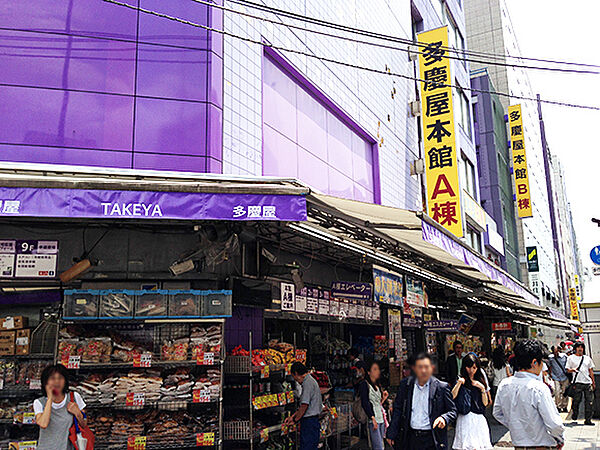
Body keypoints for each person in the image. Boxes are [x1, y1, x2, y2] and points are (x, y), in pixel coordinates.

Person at [493, 340, 565, 449]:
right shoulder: (538, 388)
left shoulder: (504, 385)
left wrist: (516, 426)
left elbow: (497, 413)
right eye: (542, 361)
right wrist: (559, 439)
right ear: (534, 362)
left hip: (518, 445)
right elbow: (554, 424)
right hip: (541, 445)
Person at [386, 353, 457, 450]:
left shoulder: (441, 387)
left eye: (426, 367)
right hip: (411, 437)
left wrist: (444, 418)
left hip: (432, 438)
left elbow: (452, 411)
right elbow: (398, 409)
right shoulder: (406, 385)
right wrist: (391, 433)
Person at [34, 364, 87, 450]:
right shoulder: (39, 403)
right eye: (52, 378)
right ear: (45, 382)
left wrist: (77, 412)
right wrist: (50, 398)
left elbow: (84, 424)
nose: (57, 381)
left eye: (60, 378)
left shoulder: (74, 397)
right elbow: (43, 424)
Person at [451, 354, 492, 450]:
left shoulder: (480, 380)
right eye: (469, 367)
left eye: (474, 367)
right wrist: (459, 383)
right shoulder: (460, 380)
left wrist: (482, 388)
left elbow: (485, 404)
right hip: (465, 418)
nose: (471, 370)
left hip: (478, 419)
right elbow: (452, 396)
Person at [284, 362, 323, 450]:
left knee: (308, 446)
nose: (296, 380)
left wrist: (295, 419)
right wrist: (293, 416)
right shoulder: (310, 380)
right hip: (312, 421)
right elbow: (303, 405)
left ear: (296, 373)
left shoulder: (307, 383)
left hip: (309, 422)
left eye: (294, 377)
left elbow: (304, 405)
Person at [358, 361, 389, 450]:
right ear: (369, 372)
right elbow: (365, 402)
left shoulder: (377, 385)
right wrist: (372, 418)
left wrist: (384, 398)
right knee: (378, 446)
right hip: (373, 420)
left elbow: (378, 404)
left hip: (381, 418)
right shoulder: (365, 384)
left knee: (382, 445)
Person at [566, 342, 596, 425]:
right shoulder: (571, 358)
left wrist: (593, 382)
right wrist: (573, 370)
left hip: (587, 382)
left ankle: (588, 419)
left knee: (589, 402)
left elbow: (591, 371)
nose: (580, 349)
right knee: (576, 401)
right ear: (575, 348)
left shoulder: (587, 358)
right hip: (577, 383)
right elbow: (567, 369)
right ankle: (575, 414)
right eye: (578, 347)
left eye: (581, 347)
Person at [547, 345, 569, 412]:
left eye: (556, 351)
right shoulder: (550, 358)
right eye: (554, 352)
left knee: (565, 392)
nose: (555, 353)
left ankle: (565, 406)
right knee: (557, 392)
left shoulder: (564, 357)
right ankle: (558, 406)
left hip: (564, 376)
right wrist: (551, 375)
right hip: (556, 377)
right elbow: (550, 367)